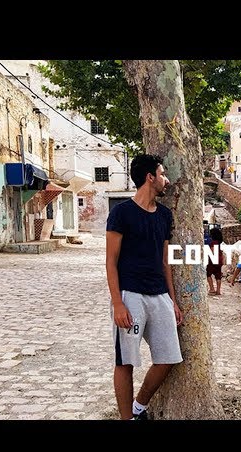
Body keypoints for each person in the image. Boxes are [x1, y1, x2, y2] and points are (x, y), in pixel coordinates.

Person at [105, 154, 183, 420]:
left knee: (169, 357)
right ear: (150, 177)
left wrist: (171, 300)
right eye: (162, 174)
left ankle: (139, 406)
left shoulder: (164, 215)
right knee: (125, 361)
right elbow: (110, 261)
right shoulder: (121, 213)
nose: (166, 180)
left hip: (159, 295)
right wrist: (117, 303)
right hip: (131, 296)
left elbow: (165, 261)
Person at [206, 227, 224, 296]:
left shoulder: (213, 243)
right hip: (219, 261)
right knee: (218, 275)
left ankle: (212, 289)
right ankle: (218, 291)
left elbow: (213, 251)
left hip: (213, 261)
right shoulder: (219, 243)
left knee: (208, 274)